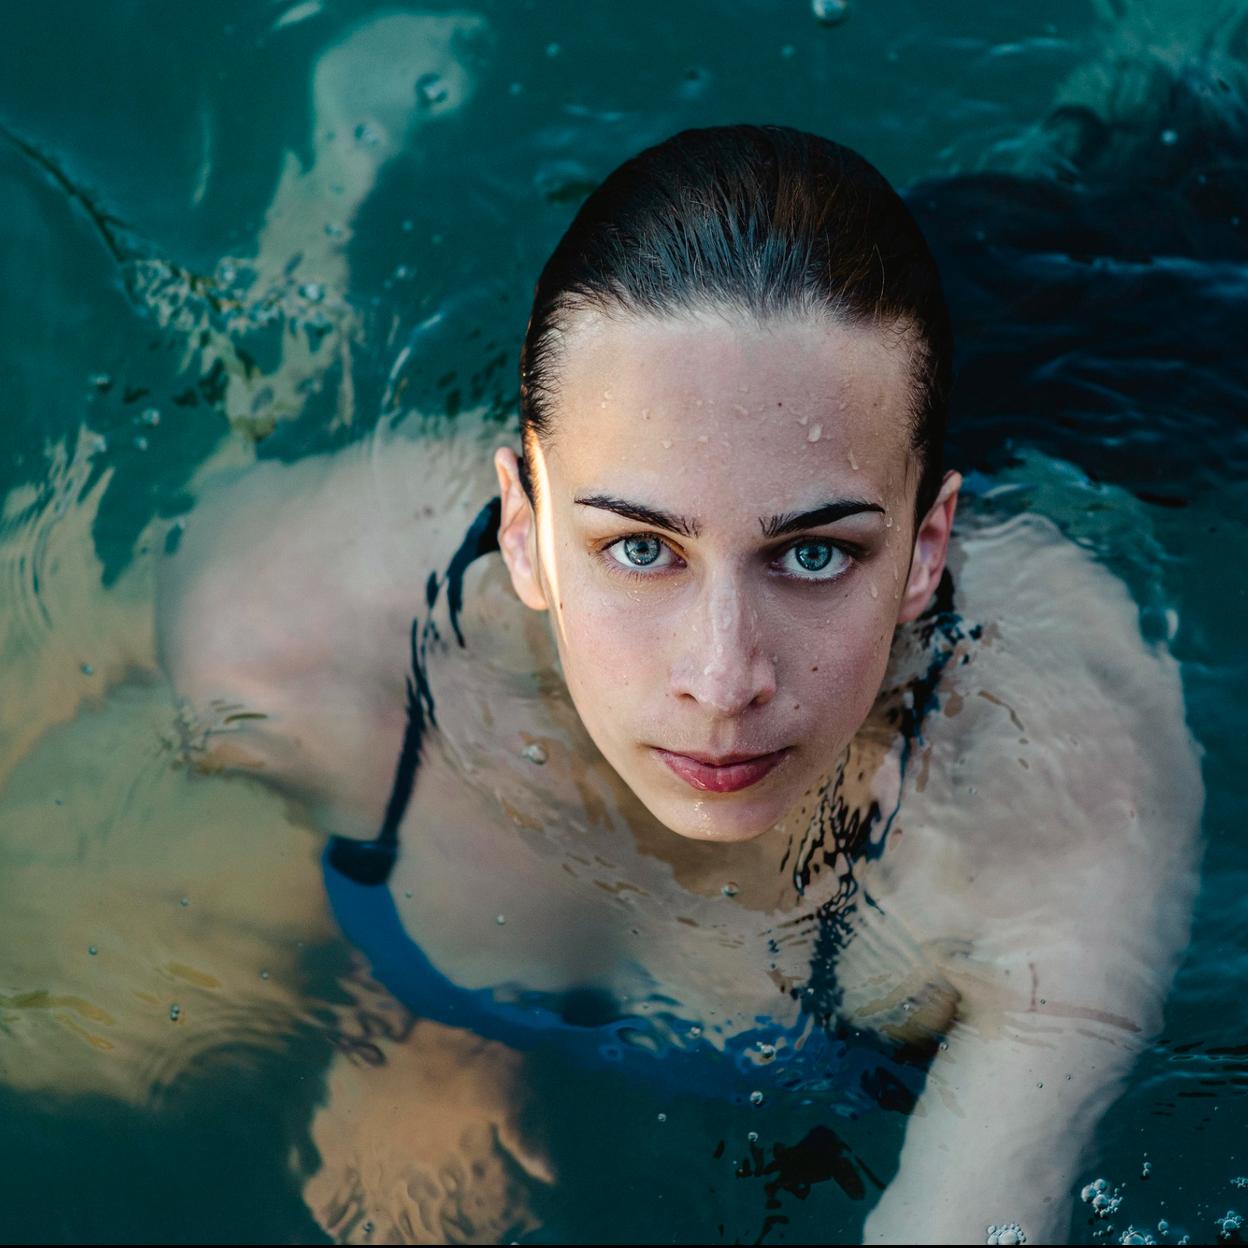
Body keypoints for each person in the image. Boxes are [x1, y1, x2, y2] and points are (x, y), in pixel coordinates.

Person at [156, 123, 1203, 1243]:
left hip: (1132, 376)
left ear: (927, 549)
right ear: (524, 528)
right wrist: (411, 1031)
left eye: (815, 555)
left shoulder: (1058, 808)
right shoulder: (283, 625)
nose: (722, 679)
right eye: (642, 549)